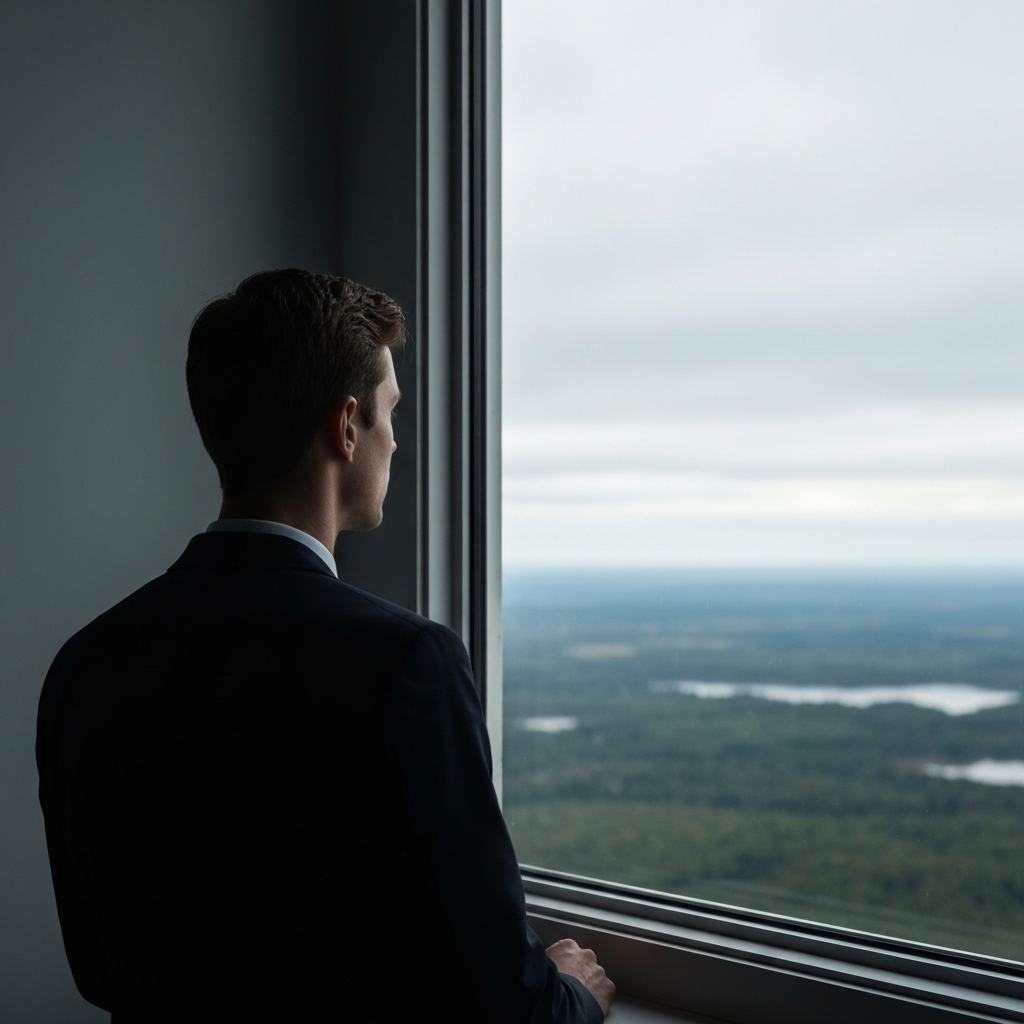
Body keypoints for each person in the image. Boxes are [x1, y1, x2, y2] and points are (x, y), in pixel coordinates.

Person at [36, 270, 615, 1023]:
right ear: (346, 427)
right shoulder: (409, 662)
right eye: (390, 413)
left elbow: (98, 967)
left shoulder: (87, 661)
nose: (396, 439)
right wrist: (573, 992)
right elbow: (510, 1004)